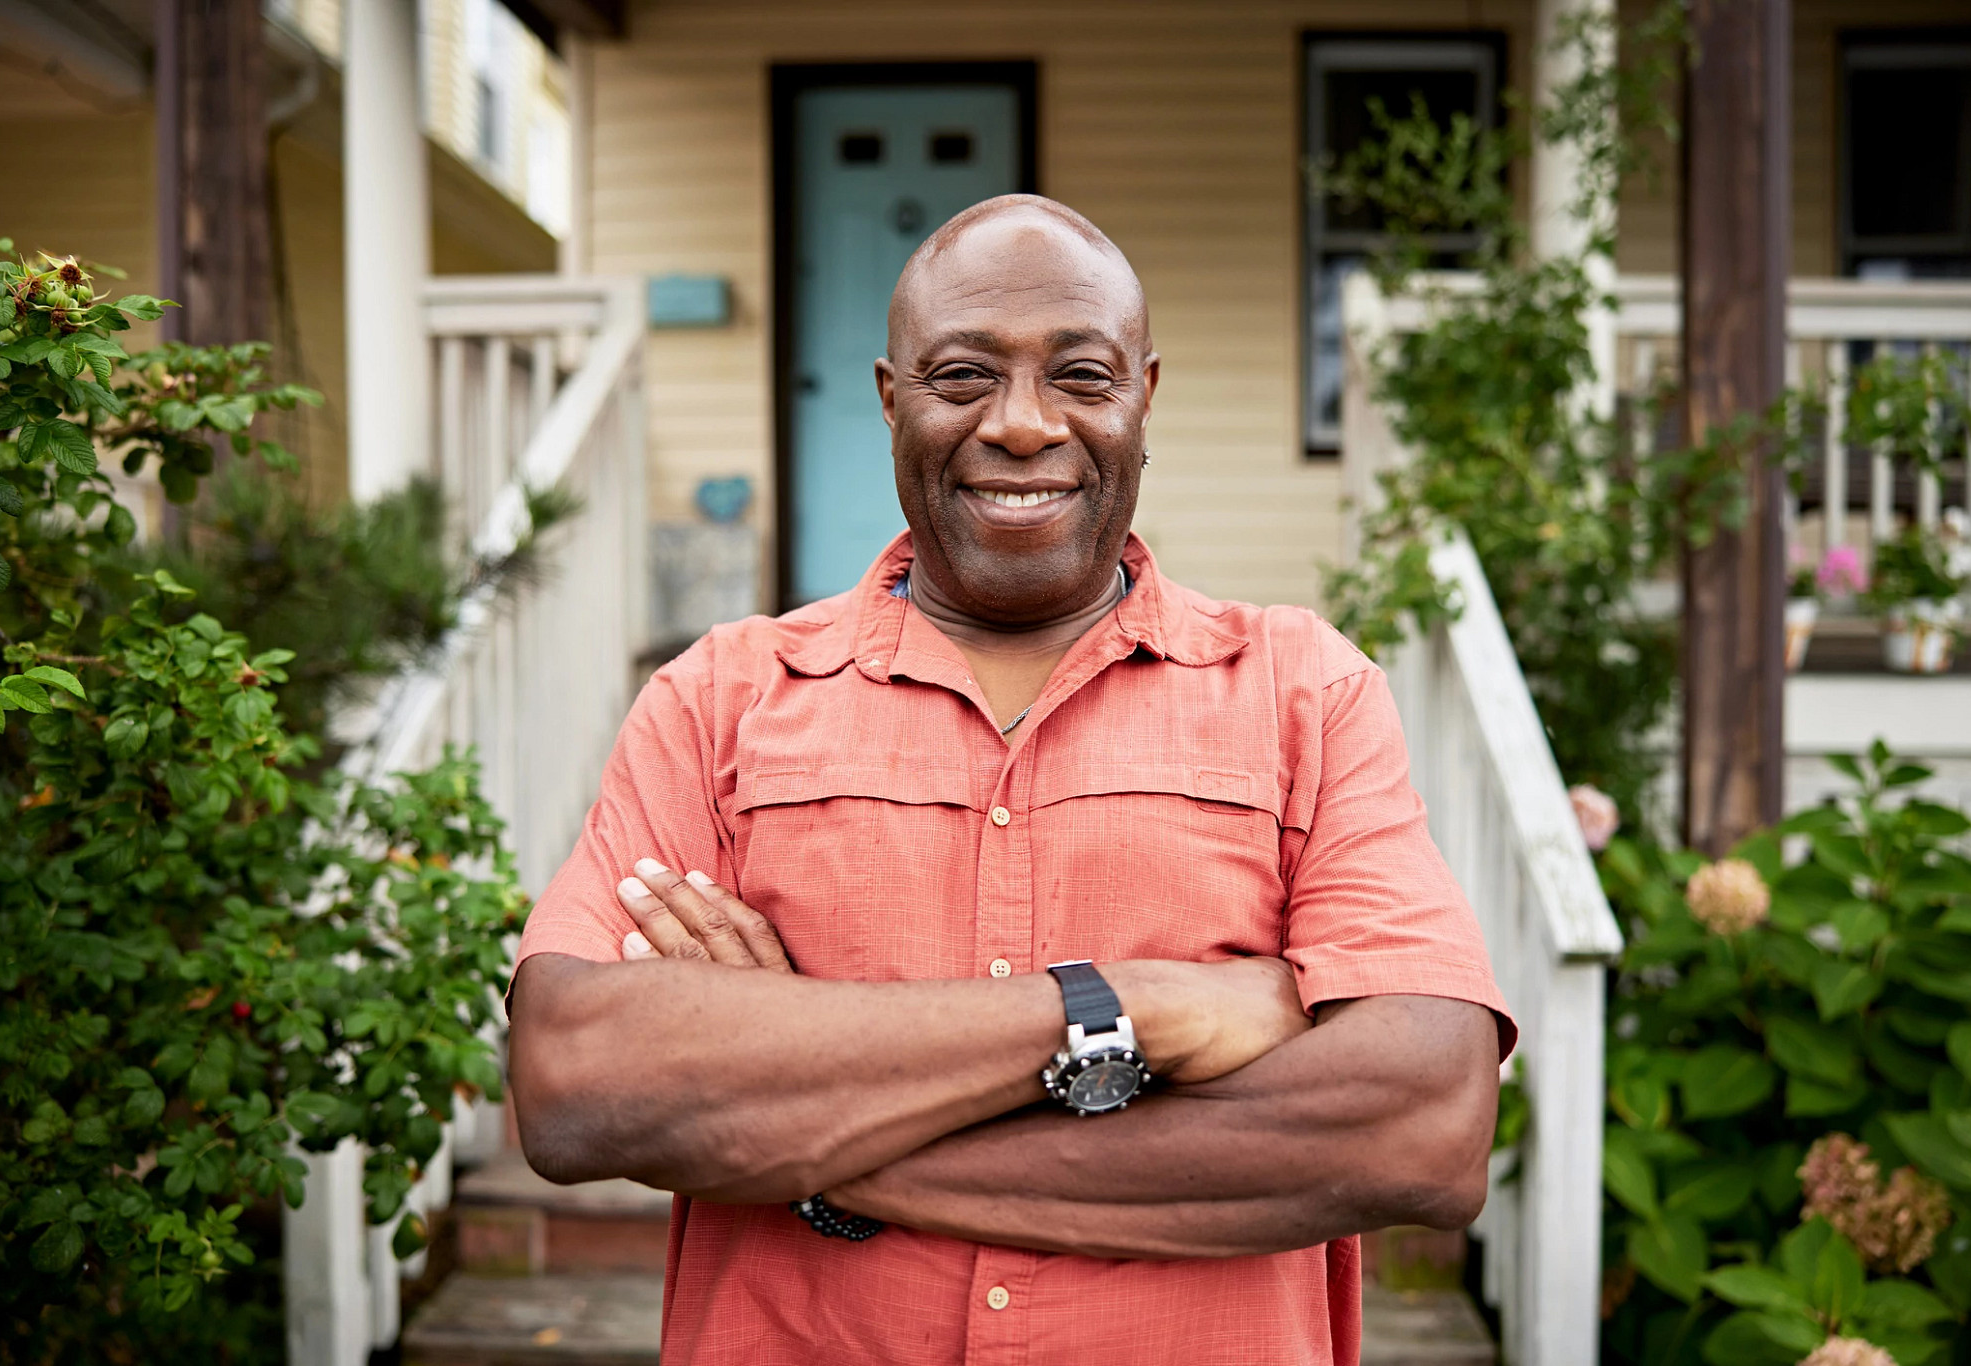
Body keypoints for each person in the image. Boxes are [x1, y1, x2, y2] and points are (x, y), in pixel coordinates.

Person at [507, 194, 1514, 1366]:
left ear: (1142, 397)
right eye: (963, 377)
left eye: (1080, 376)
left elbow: (1417, 1124)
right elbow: (578, 1082)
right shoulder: (720, 699)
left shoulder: (1302, 691)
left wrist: (810, 1136)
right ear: (891, 401)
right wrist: (1132, 1009)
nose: (1024, 425)